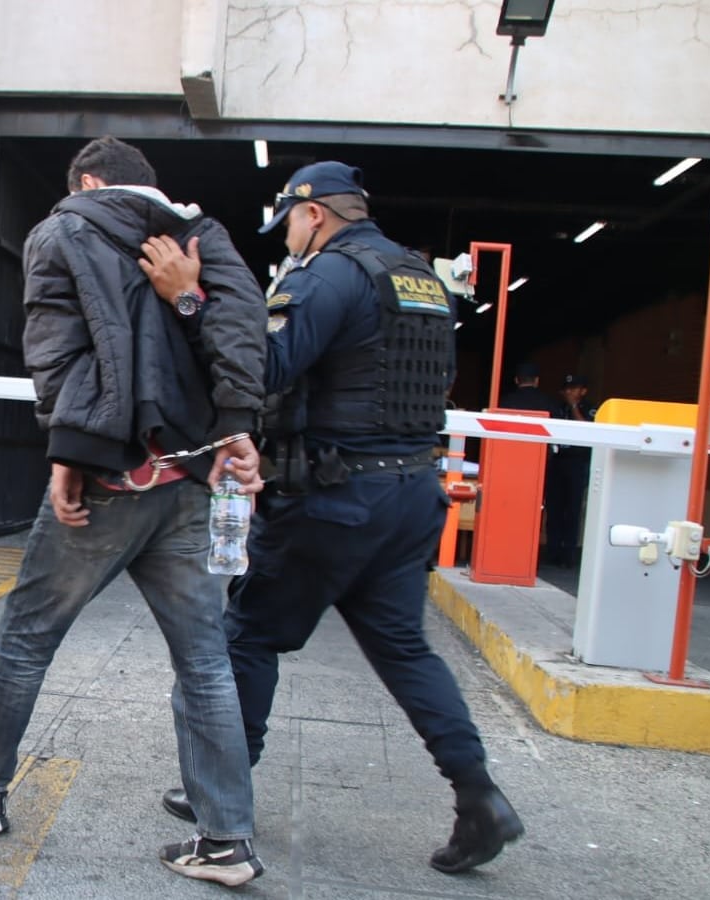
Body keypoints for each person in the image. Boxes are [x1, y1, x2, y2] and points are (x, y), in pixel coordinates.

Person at [0, 136, 270, 887]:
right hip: (193, 478)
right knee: (204, 660)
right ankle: (226, 840)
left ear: (88, 181)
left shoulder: (62, 229)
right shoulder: (206, 237)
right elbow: (241, 337)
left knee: (26, 638)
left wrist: (68, 455)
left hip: (112, 475)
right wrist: (237, 425)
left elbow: (56, 349)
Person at [156, 161, 525, 874]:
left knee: (250, 633)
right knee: (404, 649)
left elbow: (265, 365)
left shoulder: (327, 275)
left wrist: (192, 302)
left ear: (314, 214)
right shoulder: (423, 281)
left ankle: (223, 793)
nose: (289, 239)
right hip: (412, 494)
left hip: (335, 496)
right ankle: (480, 796)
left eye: (290, 224)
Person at [544, 374, 598, 566]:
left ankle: (568, 555)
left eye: (574, 388)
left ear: (583, 391)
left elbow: (587, 430)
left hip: (577, 463)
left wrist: (574, 406)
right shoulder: (557, 408)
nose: (569, 392)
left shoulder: (590, 408)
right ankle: (552, 552)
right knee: (554, 508)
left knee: (573, 510)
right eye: (566, 388)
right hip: (557, 462)